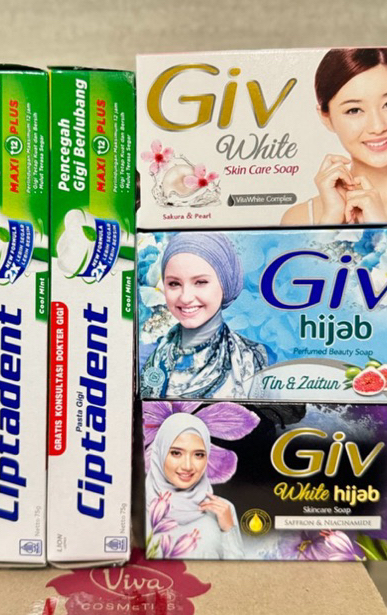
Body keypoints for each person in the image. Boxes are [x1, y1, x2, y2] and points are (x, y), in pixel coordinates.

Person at [281, 47, 387, 226]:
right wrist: (330, 219)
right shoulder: (301, 218)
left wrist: (379, 230)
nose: (377, 127)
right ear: (326, 117)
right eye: (354, 110)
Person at [140, 232, 268, 399]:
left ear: (226, 283)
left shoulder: (259, 358)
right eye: (174, 283)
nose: (185, 297)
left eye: (200, 282)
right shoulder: (144, 358)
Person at [146, 413, 244, 559]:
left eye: (198, 455)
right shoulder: (137, 509)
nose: (187, 466)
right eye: (176, 453)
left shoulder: (222, 509)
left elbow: (238, 571)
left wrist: (229, 530)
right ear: (159, 452)